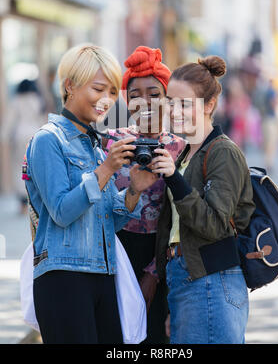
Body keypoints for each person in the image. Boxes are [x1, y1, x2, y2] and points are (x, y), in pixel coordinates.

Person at [23, 44, 158, 344]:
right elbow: (60, 211)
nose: (107, 100)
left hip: (103, 276)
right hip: (63, 277)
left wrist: (134, 189)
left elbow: (112, 221)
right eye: (99, 89)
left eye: (112, 92)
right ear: (69, 85)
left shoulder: (96, 146)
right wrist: (106, 170)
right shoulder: (48, 140)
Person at [153, 55, 256, 344]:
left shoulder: (223, 152)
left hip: (210, 278)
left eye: (185, 103)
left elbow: (213, 225)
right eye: (170, 101)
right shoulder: (186, 154)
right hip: (185, 278)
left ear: (209, 105)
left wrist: (174, 178)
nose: (174, 110)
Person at [103, 46, 186, 344]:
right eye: (136, 95)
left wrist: (154, 273)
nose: (146, 102)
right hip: (117, 251)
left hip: (160, 253)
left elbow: (180, 219)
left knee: (154, 336)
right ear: (127, 101)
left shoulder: (180, 148)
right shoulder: (112, 143)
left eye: (154, 93)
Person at [3, 79, 46, 214]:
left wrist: (5, 136)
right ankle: (35, 200)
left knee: (20, 168)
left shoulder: (16, 101)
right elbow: (43, 120)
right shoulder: (38, 100)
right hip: (36, 135)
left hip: (20, 138)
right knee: (36, 167)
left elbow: (9, 122)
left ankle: (23, 202)